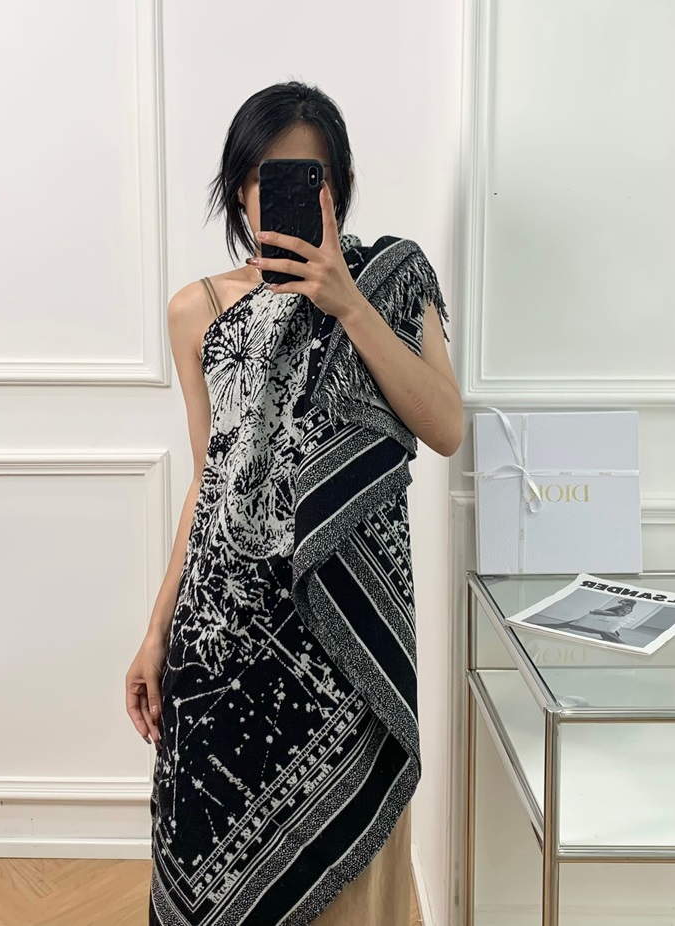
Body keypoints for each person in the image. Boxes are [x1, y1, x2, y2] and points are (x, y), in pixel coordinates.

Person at [125, 79, 464, 926]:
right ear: (237, 188)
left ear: (335, 189)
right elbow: (208, 481)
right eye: (261, 177)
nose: (276, 196)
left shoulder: (389, 278)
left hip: (341, 632)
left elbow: (446, 426)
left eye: (306, 178)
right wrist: (157, 630)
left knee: (347, 876)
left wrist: (344, 301)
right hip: (223, 636)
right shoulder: (197, 309)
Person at [549, 598, 636, 643]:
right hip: (602, 622)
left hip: (603, 622)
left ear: (627, 603)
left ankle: (552, 626)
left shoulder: (626, 608)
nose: (621, 600)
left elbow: (618, 614)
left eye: (623, 600)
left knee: (576, 624)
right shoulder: (622, 606)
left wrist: (599, 612)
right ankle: (553, 626)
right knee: (574, 623)